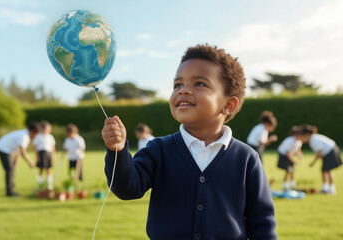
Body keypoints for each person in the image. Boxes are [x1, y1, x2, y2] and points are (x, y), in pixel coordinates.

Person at [102, 44, 277, 239]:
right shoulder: (158, 150)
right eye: (178, 85)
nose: (183, 91)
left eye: (200, 84)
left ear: (228, 104)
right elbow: (128, 188)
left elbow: (262, 221)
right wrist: (117, 150)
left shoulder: (246, 159)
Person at [0, 123, 40, 196]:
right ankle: (10, 191)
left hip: (7, 149)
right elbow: (22, 151)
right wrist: (30, 162)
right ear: (32, 131)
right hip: (3, 149)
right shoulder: (24, 136)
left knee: (11, 169)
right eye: (36, 134)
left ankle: (11, 189)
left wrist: (16, 162)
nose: (36, 136)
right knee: (9, 170)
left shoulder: (25, 134)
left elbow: (18, 151)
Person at [300, 124, 342, 194]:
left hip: (331, 151)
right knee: (324, 170)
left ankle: (331, 189)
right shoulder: (313, 139)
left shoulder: (314, 140)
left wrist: (313, 163)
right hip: (328, 152)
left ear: (307, 135)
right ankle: (325, 188)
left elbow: (319, 153)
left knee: (328, 170)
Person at [277, 126, 303, 190]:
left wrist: (300, 156)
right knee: (288, 170)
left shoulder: (299, 141)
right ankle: (285, 185)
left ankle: (292, 185)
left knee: (292, 170)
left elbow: (298, 149)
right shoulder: (290, 141)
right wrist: (293, 161)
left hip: (290, 155)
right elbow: (287, 153)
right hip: (283, 155)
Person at [33, 121, 56, 189]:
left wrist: (52, 156)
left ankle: (49, 185)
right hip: (41, 153)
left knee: (49, 169)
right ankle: (40, 184)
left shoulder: (50, 137)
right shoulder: (38, 136)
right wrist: (37, 156)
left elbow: (53, 147)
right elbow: (35, 147)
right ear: (42, 129)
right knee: (41, 169)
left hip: (48, 153)